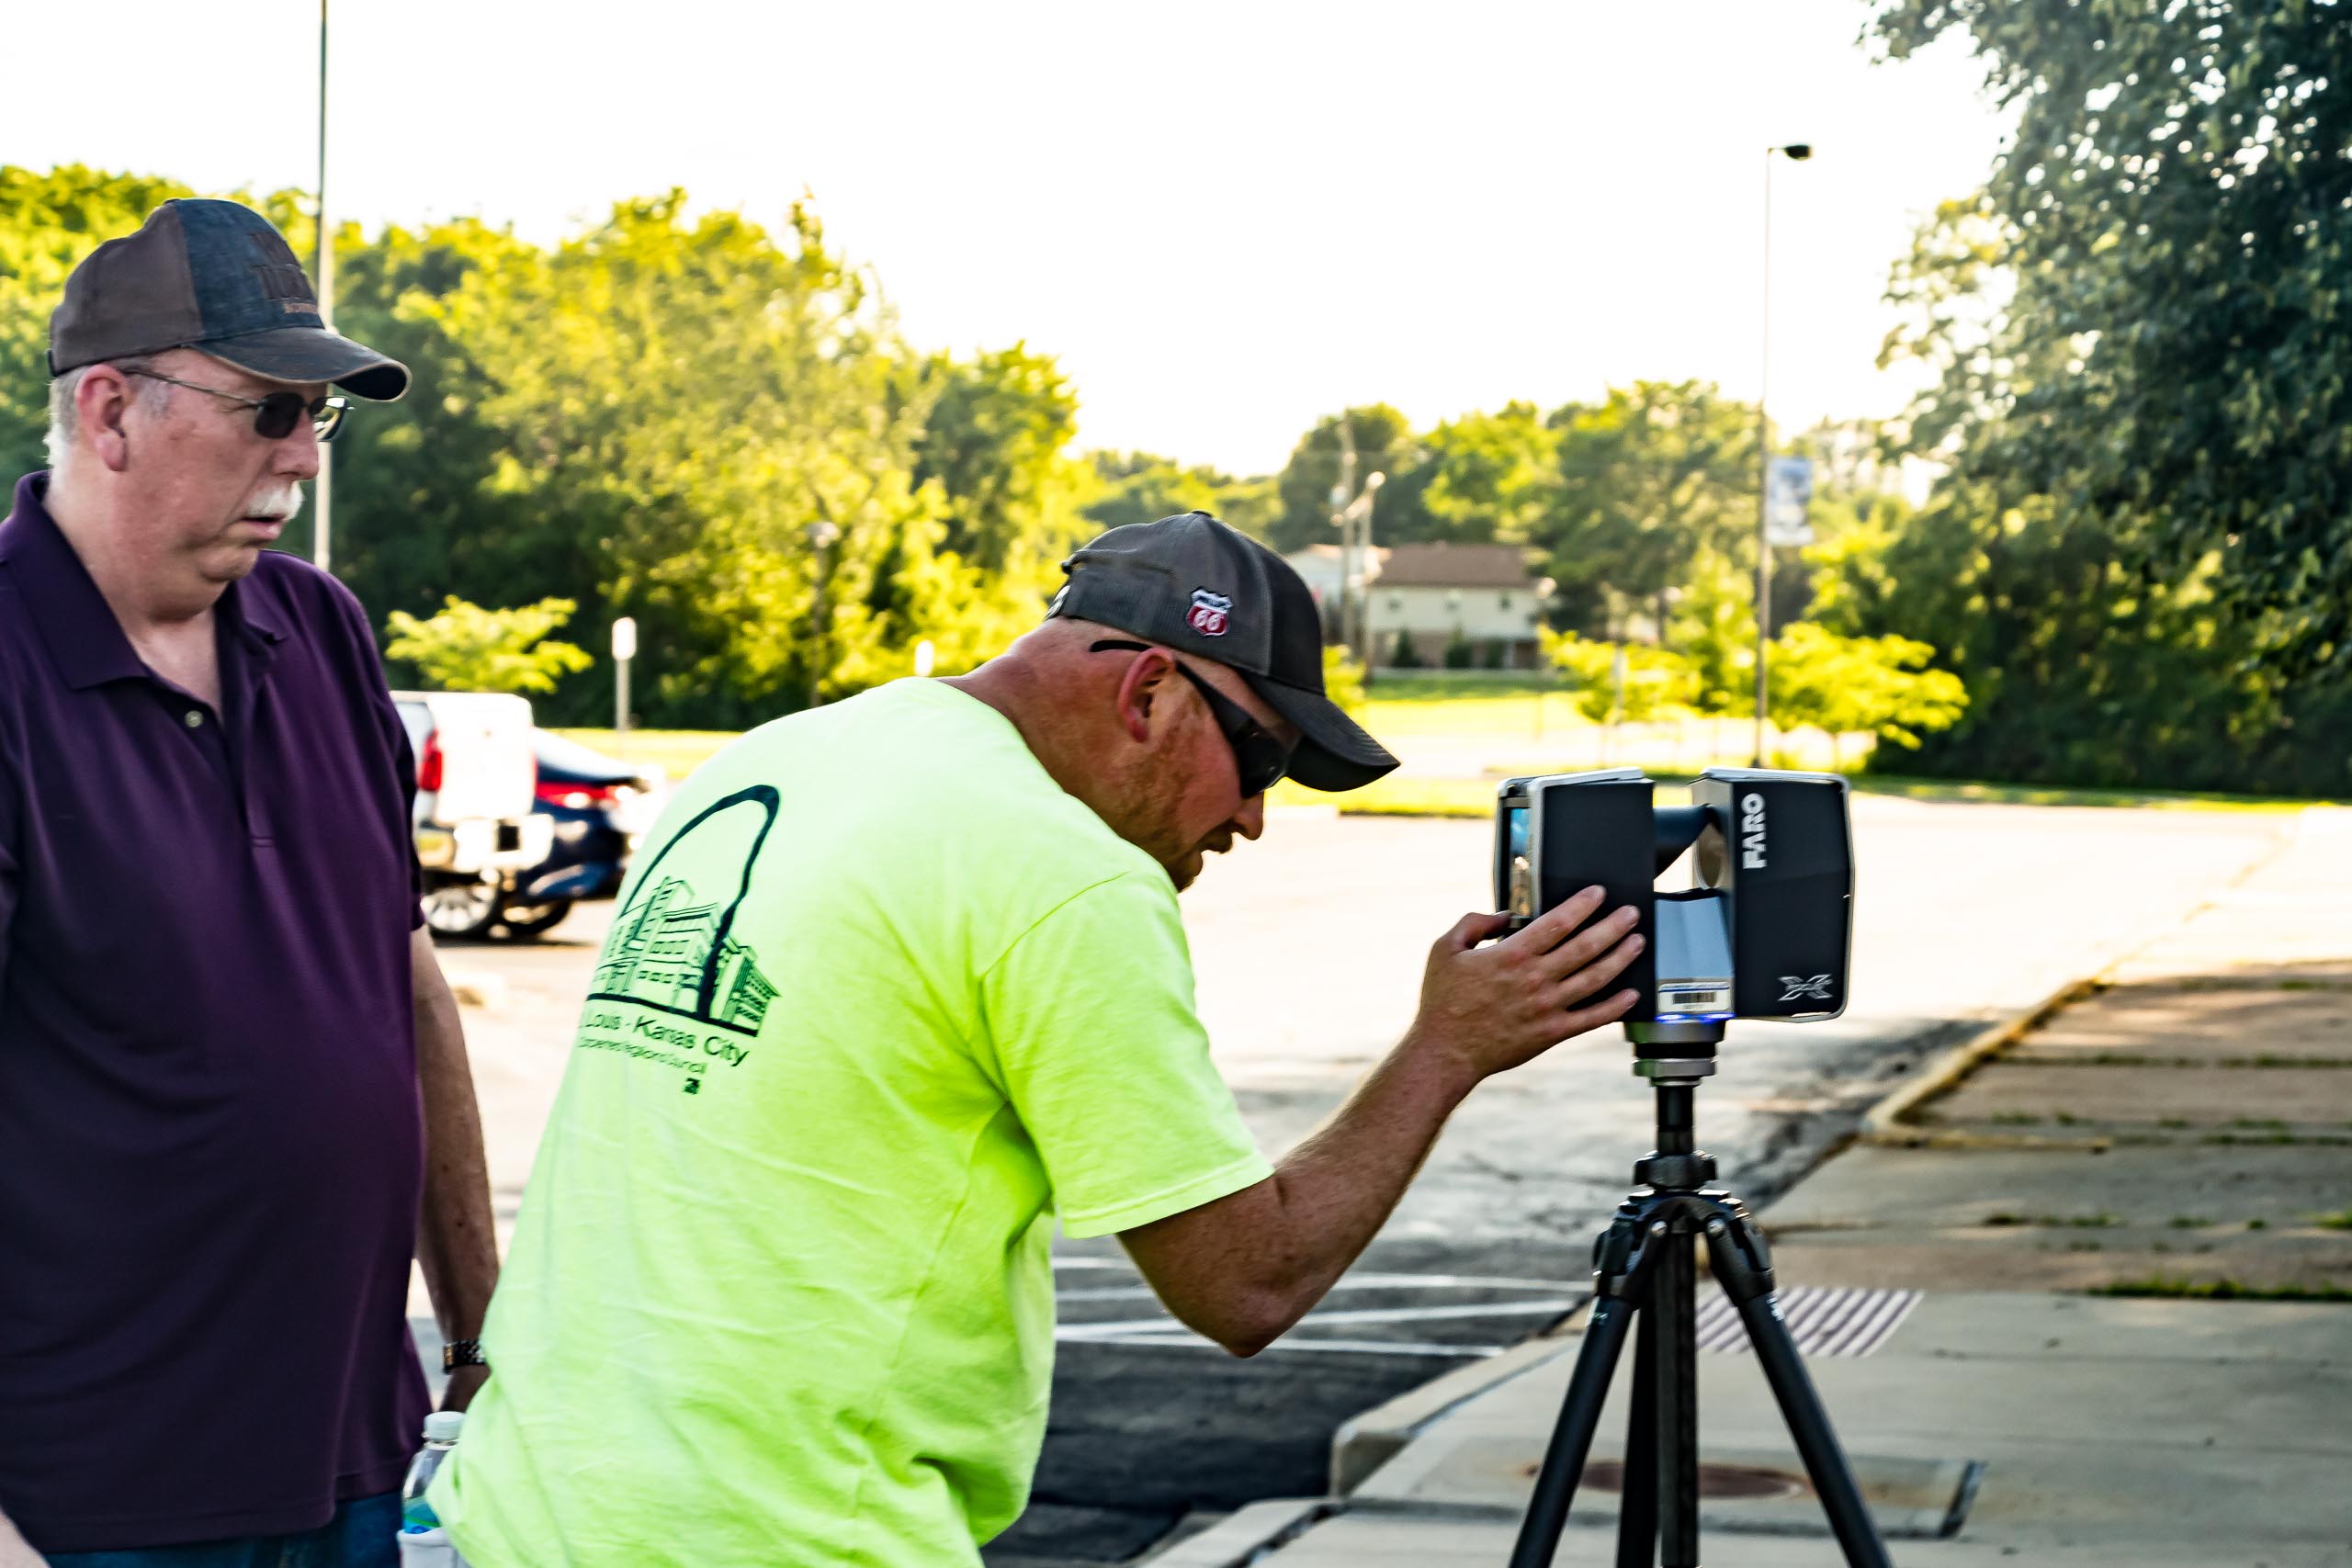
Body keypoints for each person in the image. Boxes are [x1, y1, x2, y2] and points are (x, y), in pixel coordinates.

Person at [431, 513, 1642, 1566]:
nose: (1259, 820)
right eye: (1261, 758)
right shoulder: (1065, 880)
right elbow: (1246, 1283)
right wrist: (1448, 1048)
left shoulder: (771, 760)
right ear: (1150, 691)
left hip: (534, 1507)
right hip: (784, 1532)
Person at [0, 200, 499, 1567]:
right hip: (95, 1506)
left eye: (319, 419)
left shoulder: (319, 626)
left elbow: (399, 991)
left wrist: (477, 1334)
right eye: (270, 409)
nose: (301, 459)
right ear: (109, 411)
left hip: (349, 1462)